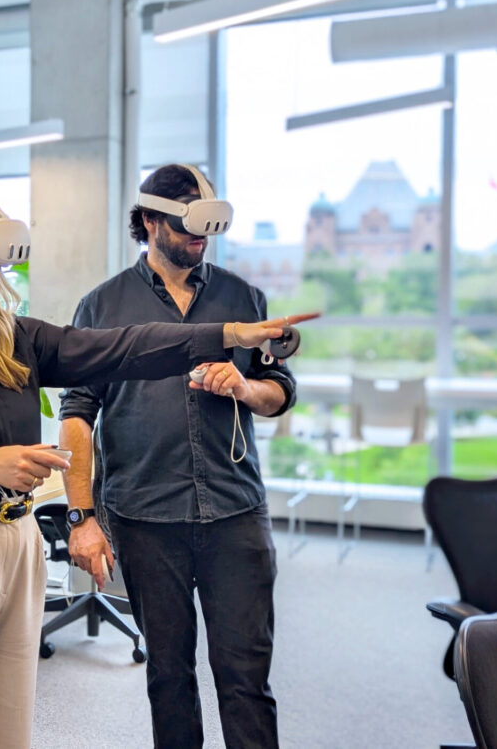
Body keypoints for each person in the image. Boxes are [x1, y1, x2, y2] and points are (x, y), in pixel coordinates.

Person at [0, 184, 303, 749]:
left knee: (3, 730)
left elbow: (125, 348)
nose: (1, 267)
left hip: (15, 545)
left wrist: (229, 335)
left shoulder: (13, 339)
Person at [58, 164, 317, 749]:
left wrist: (245, 387)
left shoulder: (241, 297)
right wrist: (82, 517)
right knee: (169, 677)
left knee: (246, 679)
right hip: (146, 517)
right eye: (186, 225)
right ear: (149, 221)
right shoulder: (101, 307)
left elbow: (281, 392)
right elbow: (77, 413)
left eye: (208, 227)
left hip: (234, 514)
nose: (200, 239)